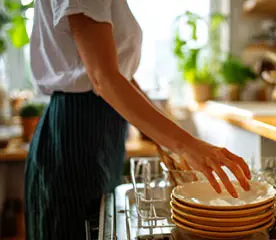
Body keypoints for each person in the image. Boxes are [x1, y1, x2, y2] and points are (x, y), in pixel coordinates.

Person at [25, 0, 251, 239]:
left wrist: (162, 136)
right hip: (74, 133)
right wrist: (186, 144)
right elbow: (102, 77)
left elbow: (119, 76)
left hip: (99, 129)